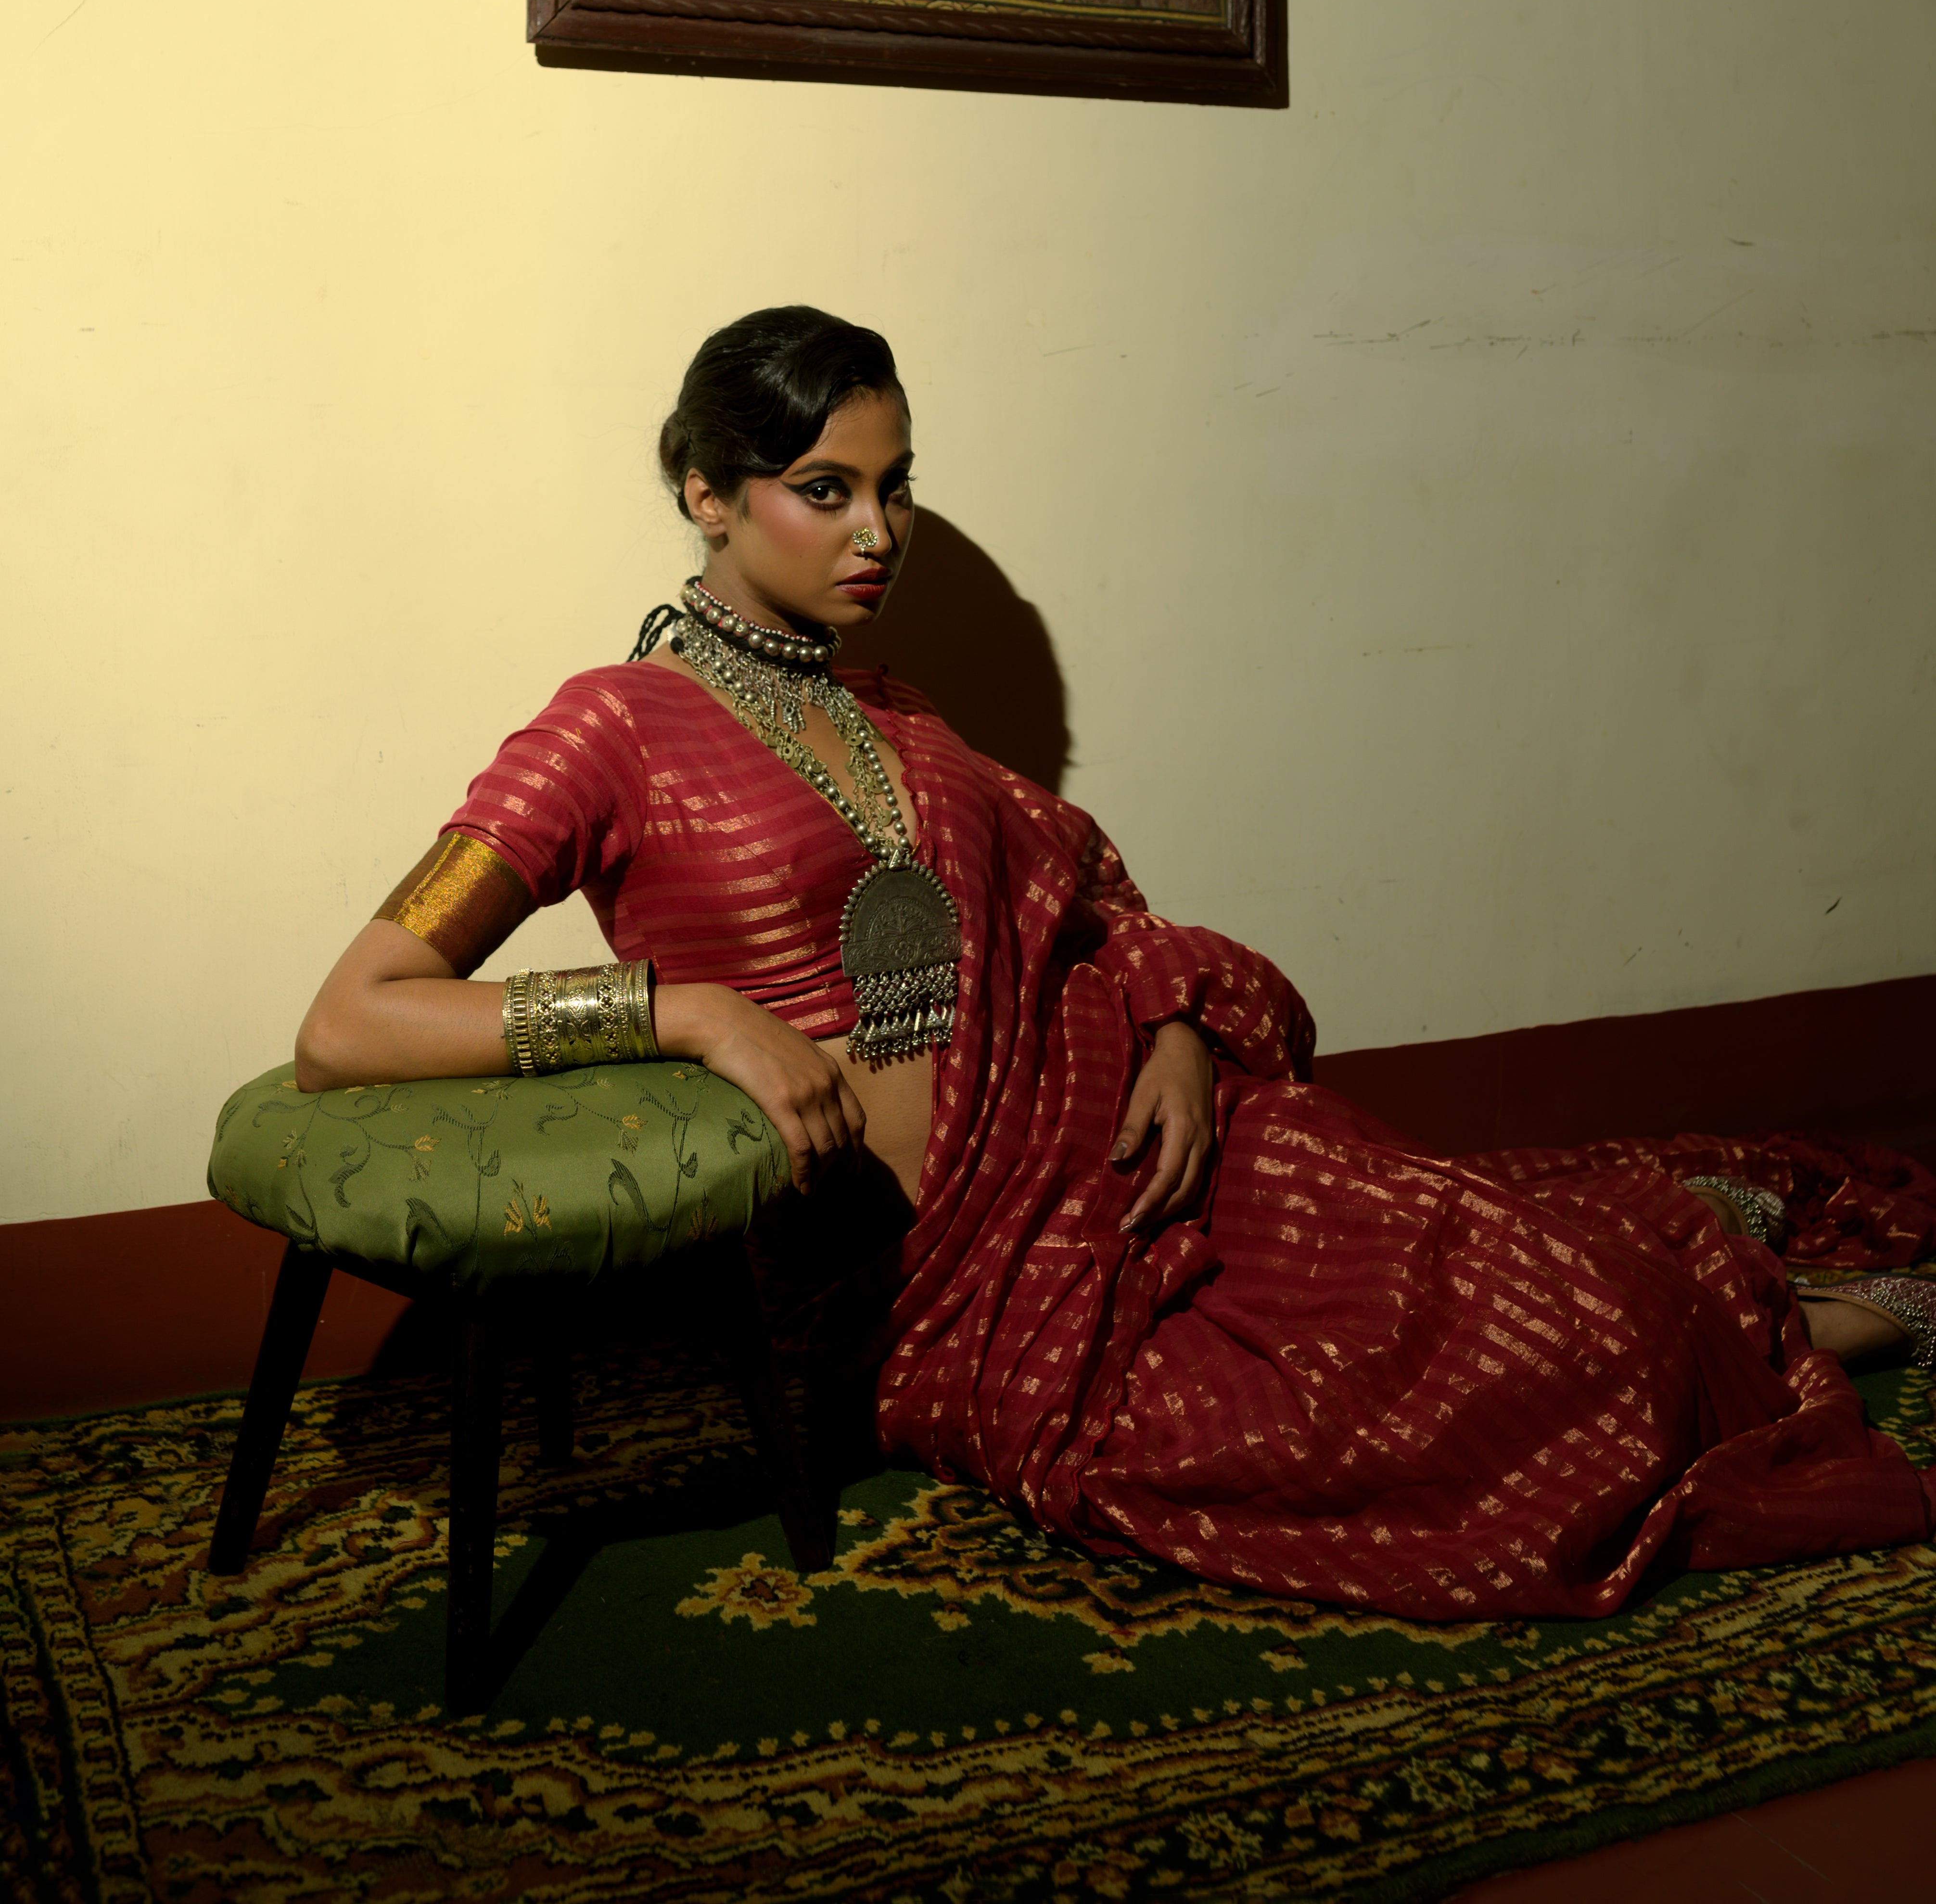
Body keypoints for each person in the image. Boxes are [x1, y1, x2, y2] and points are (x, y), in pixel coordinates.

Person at [296, 306, 1936, 1623]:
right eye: (826, 489)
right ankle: (1765, 1324)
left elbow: (1091, 888)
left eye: (899, 484)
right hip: (948, 1283)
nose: (880, 533)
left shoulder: (899, 710)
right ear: (707, 496)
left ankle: (1745, 1300)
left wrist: (1168, 1022)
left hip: (1131, 1128)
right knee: (1373, 1432)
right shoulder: (604, 729)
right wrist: (687, 1009)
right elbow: (353, 1018)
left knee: (1476, 1264)